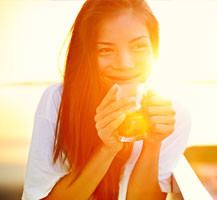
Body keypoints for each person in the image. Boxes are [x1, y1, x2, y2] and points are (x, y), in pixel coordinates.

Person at [21, 0, 191, 199]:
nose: (125, 64)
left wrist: (153, 145)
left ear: (155, 50)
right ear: (87, 55)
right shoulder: (58, 101)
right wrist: (107, 149)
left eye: (138, 46)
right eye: (106, 50)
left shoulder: (171, 114)